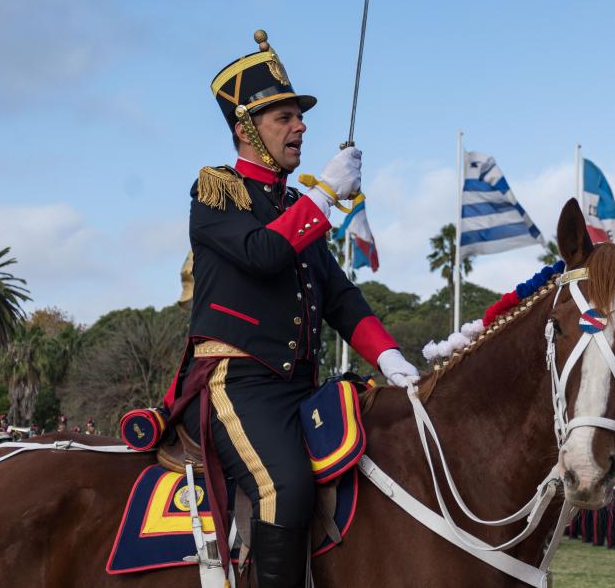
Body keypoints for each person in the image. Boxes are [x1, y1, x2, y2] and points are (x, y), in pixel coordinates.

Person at [160, 30, 420, 588]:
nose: (300, 125)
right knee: (286, 486)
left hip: (302, 387)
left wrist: (390, 356)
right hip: (237, 383)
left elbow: (341, 297)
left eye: (298, 115)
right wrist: (324, 193)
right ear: (245, 129)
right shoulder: (216, 193)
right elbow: (263, 253)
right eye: (284, 116)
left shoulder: (291, 207)